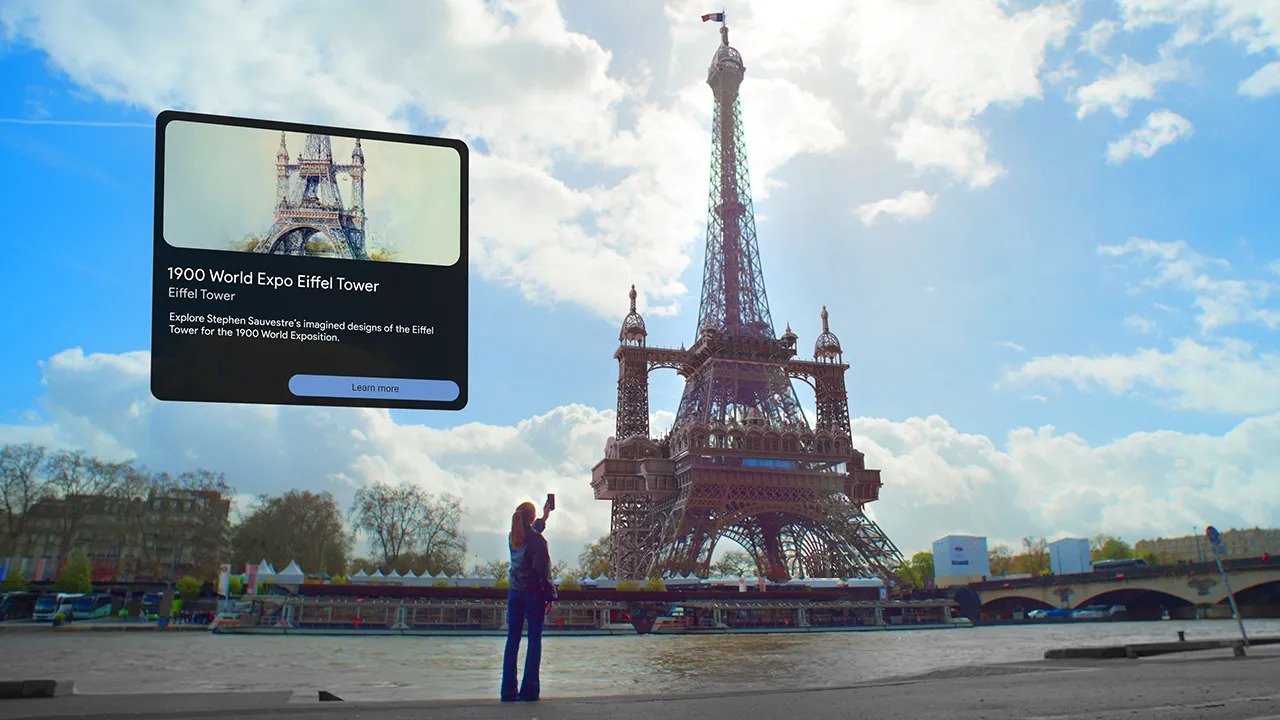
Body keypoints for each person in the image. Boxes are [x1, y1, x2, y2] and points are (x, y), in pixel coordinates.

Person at [501, 498, 557, 702]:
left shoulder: (513, 537)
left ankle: (508, 691)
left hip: (515, 593)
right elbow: (543, 572)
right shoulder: (538, 542)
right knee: (534, 640)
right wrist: (550, 596)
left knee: (512, 640)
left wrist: (544, 517)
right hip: (533, 594)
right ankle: (530, 690)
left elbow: (530, 534)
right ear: (531, 518)